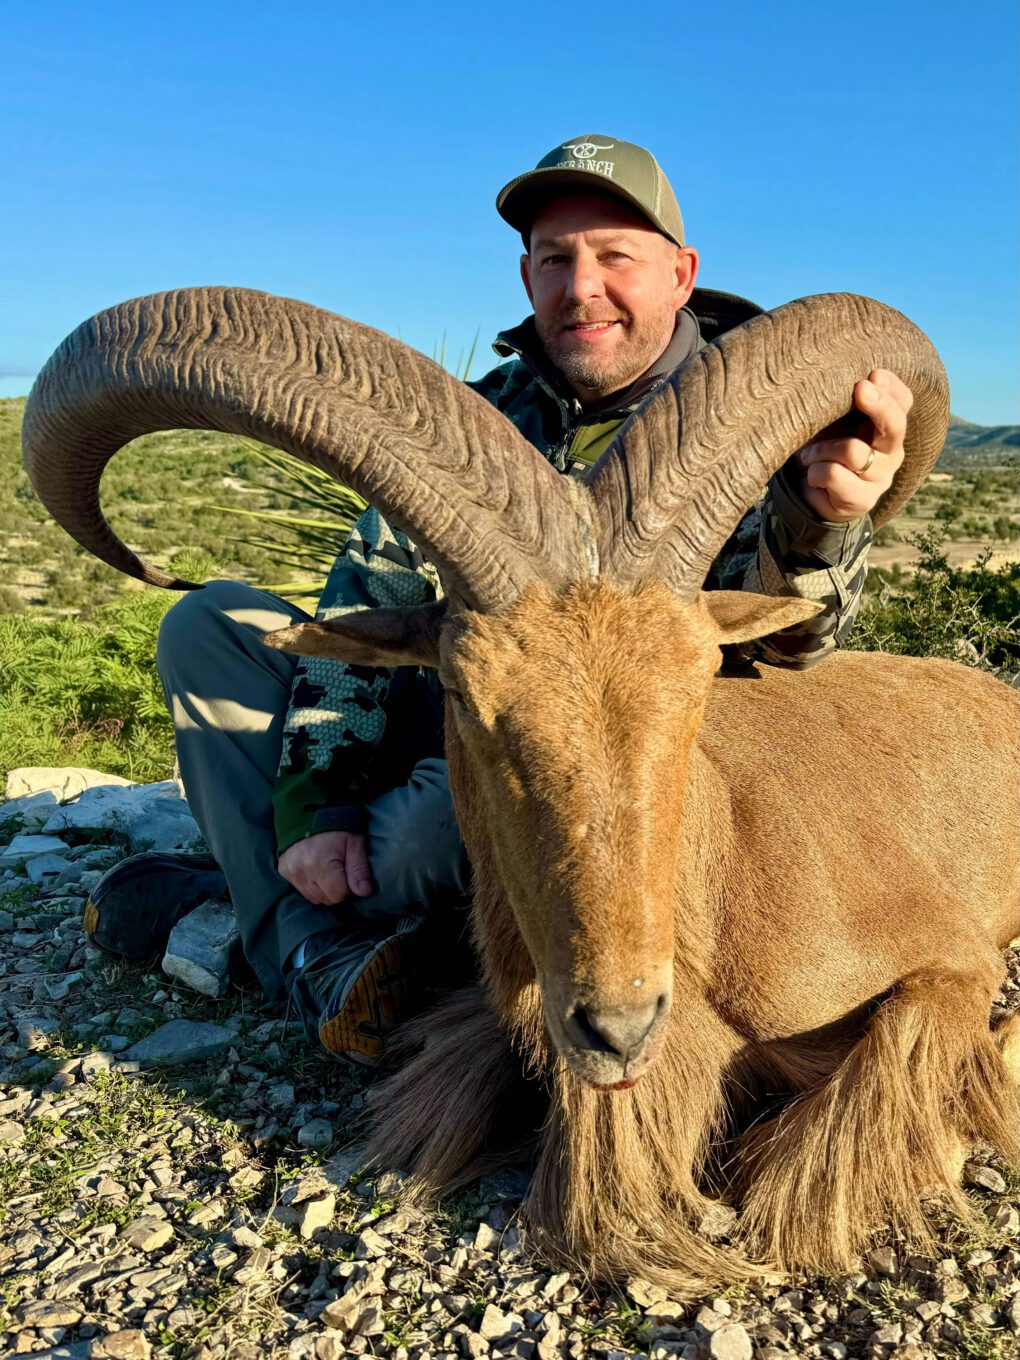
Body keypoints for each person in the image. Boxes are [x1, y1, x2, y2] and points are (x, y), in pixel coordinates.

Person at [85, 135, 914, 1064]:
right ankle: (310, 943)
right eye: (555, 260)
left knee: (410, 847)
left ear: (681, 273)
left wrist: (821, 521)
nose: (581, 286)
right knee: (208, 627)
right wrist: (317, 805)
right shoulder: (477, 419)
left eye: (615, 257)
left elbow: (785, 655)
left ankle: (262, 914)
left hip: (624, 773)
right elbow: (371, 596)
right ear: (527, 278)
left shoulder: (773, 426)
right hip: (467, 702)